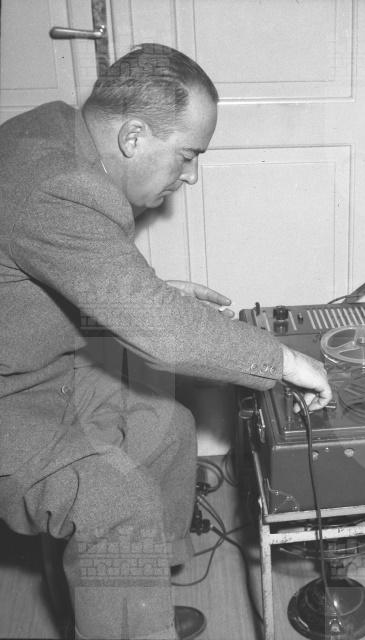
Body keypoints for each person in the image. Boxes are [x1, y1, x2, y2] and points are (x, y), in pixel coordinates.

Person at [0, 43, 331, 640]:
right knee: (114, 498)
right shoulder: (58, 184)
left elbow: (41, 269)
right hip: (12, 392)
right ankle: (130, 620)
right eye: (187, 154)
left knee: (167, 428)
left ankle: (132, 596)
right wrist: (285, 361)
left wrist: (146, 293)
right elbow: (162, 334)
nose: (192, 175)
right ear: (133, 137)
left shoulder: (54, 130)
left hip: (34, 359)